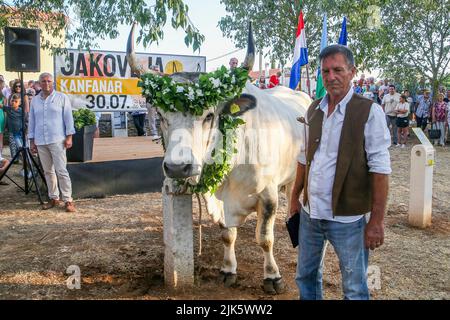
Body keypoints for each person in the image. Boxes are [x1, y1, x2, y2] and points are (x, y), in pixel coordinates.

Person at [290, 44, 391, 300]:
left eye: (338, 70)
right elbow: (304, 159)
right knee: (306, 277)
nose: (331, 76)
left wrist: (376, 221)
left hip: (349, 220)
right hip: (312, 216)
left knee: (355, 287)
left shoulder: (369, 112)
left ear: (352, 72)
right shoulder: (314, 109)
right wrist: (294, 198)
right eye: (325, 71)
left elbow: (380, 169)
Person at [29, 72, 76, 212]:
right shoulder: (35, 101)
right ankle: (54, 198)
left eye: (49, 81)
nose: (46, 83)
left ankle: (68, 200)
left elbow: (68, 118)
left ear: (53, 82)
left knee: (61, 170)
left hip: (57, 140)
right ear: (39, 83)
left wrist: (69, 137)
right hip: (41, 140)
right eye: (43, 81)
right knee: (48, 171)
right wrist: (31, 141)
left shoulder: (62, 98)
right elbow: (32, 121)